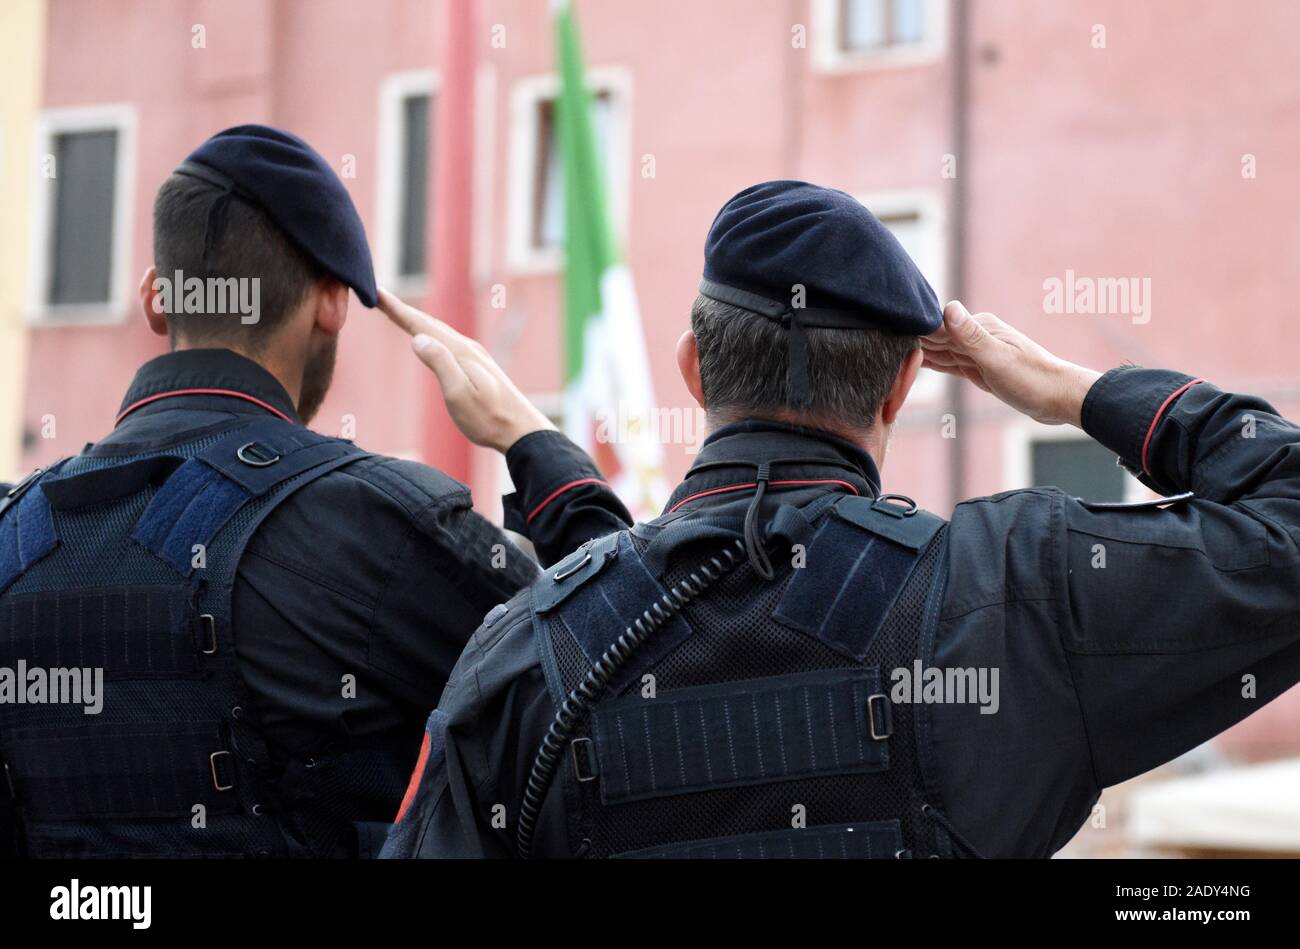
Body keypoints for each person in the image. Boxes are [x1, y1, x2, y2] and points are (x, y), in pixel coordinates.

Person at [380, 180, 1300, 859]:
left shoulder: (519, 657)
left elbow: (644, 620)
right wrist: (1068, 391)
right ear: (905, 383)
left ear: (694, 369)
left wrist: (542, 454)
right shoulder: (1012, 596)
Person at [0, 125, 627, 859]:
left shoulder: (13, 538)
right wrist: (533, 443)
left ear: (155, 298)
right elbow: (623, 675)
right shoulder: (377, 524)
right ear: (332, 302)